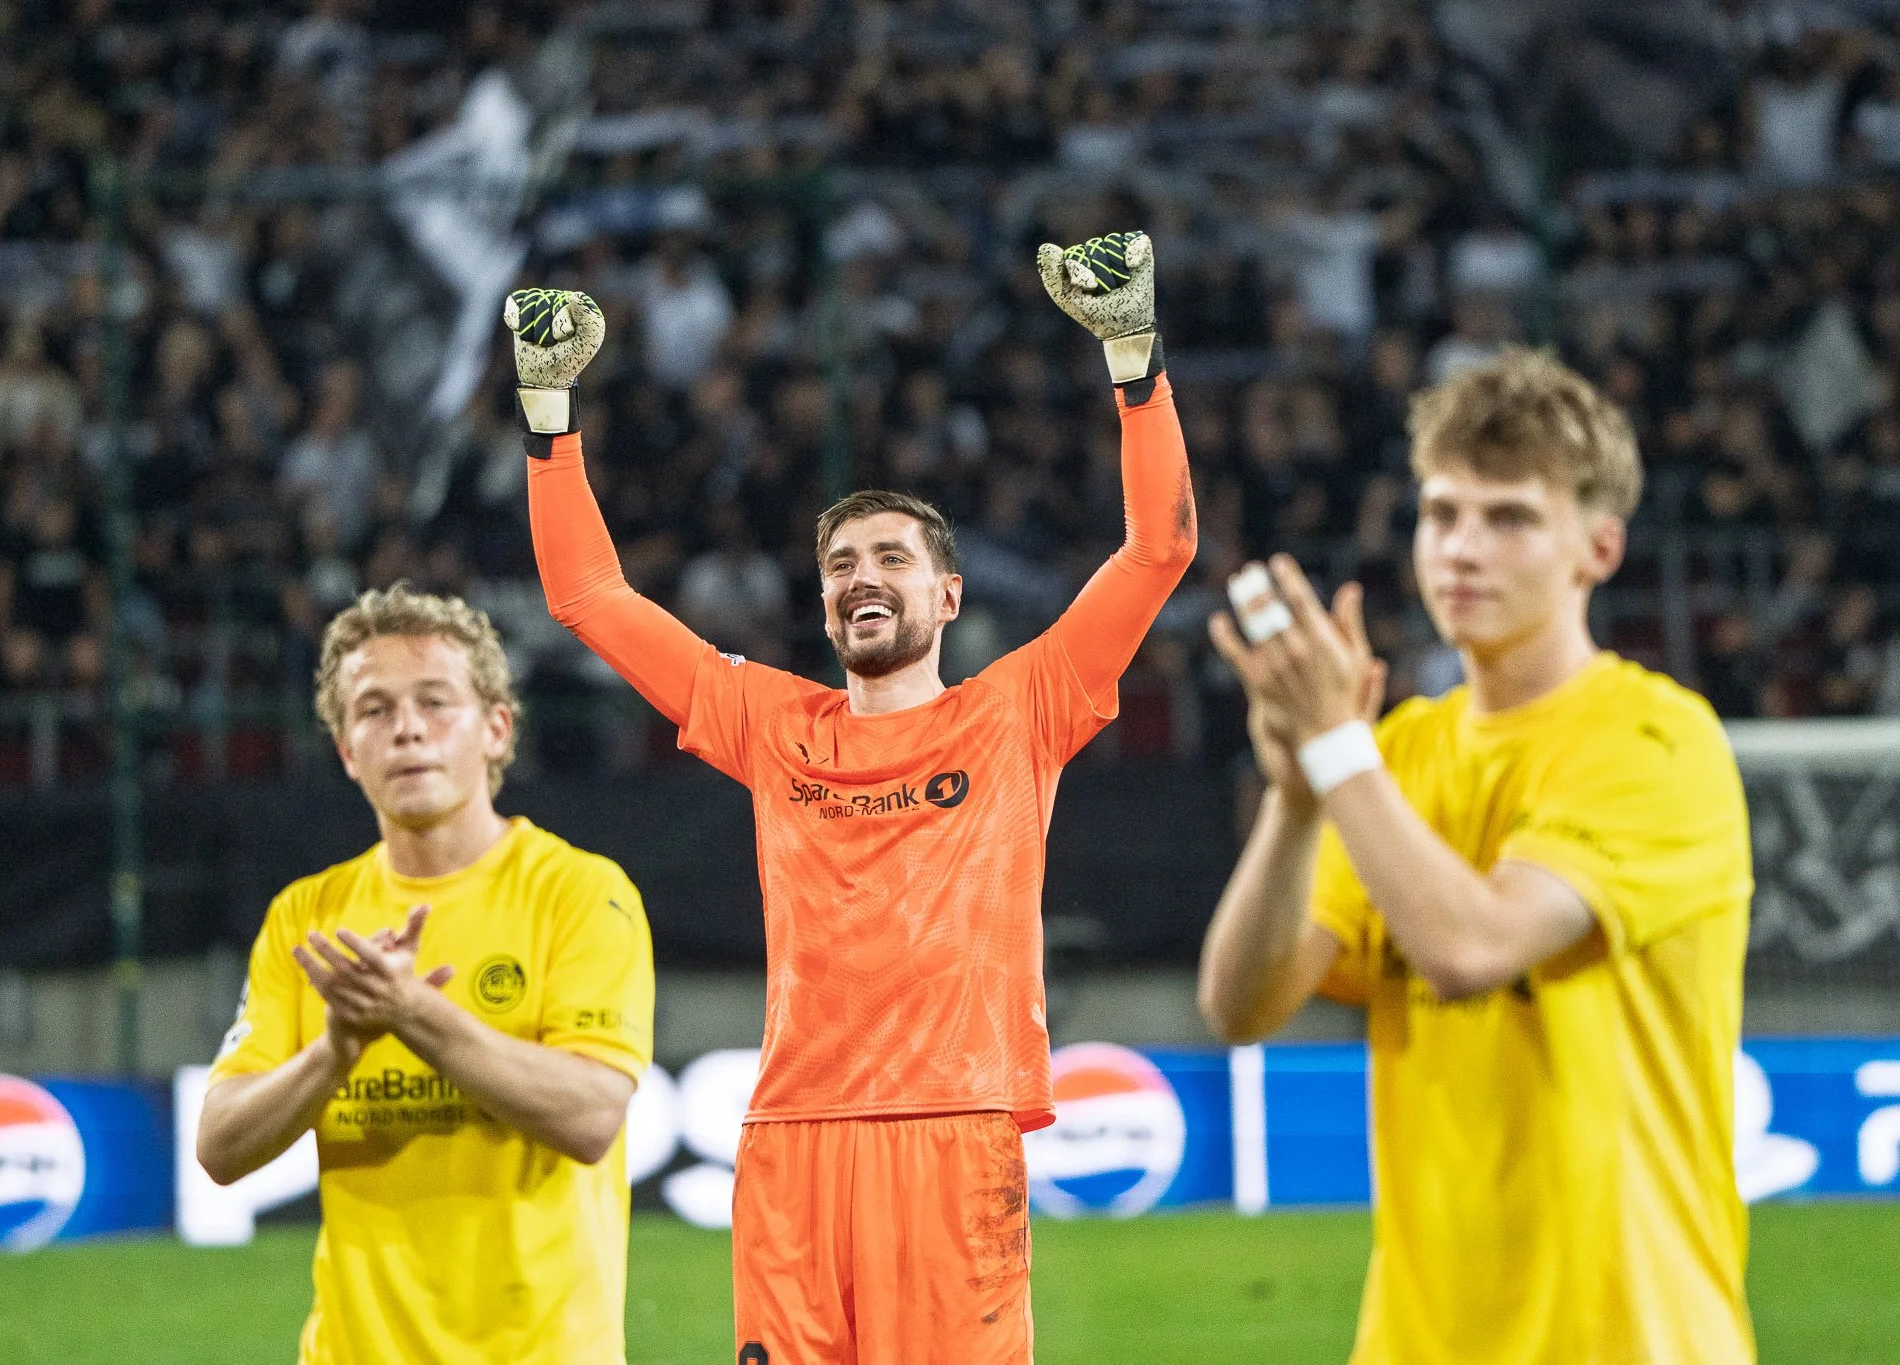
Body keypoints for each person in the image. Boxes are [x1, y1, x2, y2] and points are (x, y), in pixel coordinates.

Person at [508, 231, 1194, 1364]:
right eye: (838, 564)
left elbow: (1156, 550)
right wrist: (548, 416)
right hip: (791, 1143)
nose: (860, 576)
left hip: (950, 1130)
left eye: (889, 557)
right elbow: (588, 596)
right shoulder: (773, 724)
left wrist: (1134, 359)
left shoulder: (1018, 709)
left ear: (948, 592)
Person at [1199, 346, 1753, 1363]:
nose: (1461, 549)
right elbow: (1240, 1006)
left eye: (1509, 519)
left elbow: (1469, 947)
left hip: (1625, 1339)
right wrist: (1289, 803)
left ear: (1598, 548)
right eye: (1441, 513)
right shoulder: (1397, 754)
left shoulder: (1656, 744)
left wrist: (1333, 753)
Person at [196, 584, 654, 1365]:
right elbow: (219, 1144)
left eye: (435, 701)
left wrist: (413, 1013)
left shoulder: (580, 891)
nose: (406, 727)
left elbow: (590, 1117)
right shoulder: (307, 915)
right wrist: (336, 1049)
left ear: (496, 729)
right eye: (373, 710)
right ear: (346, 749)